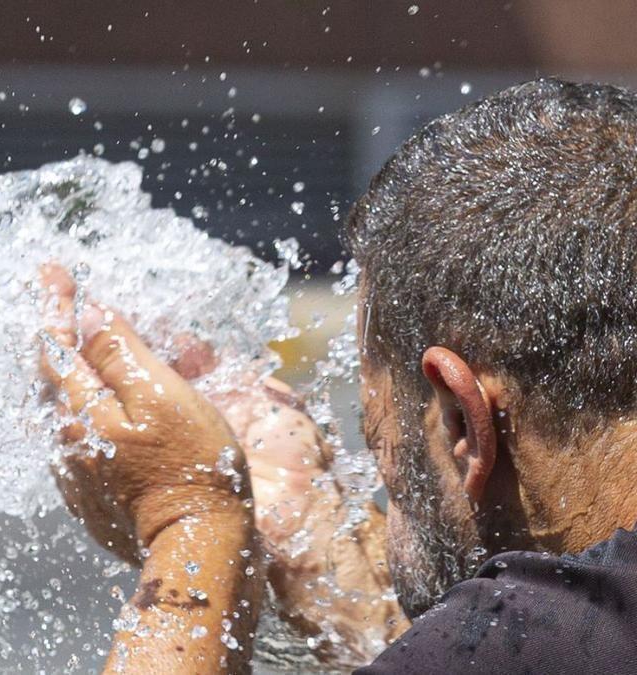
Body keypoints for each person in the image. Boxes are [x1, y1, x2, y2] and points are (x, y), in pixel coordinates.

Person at [38, 78, 637, 674]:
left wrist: (188, 517)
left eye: (390, 481)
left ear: (463, 421)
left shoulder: (536, 632)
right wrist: (312, 547)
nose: (385, 498)